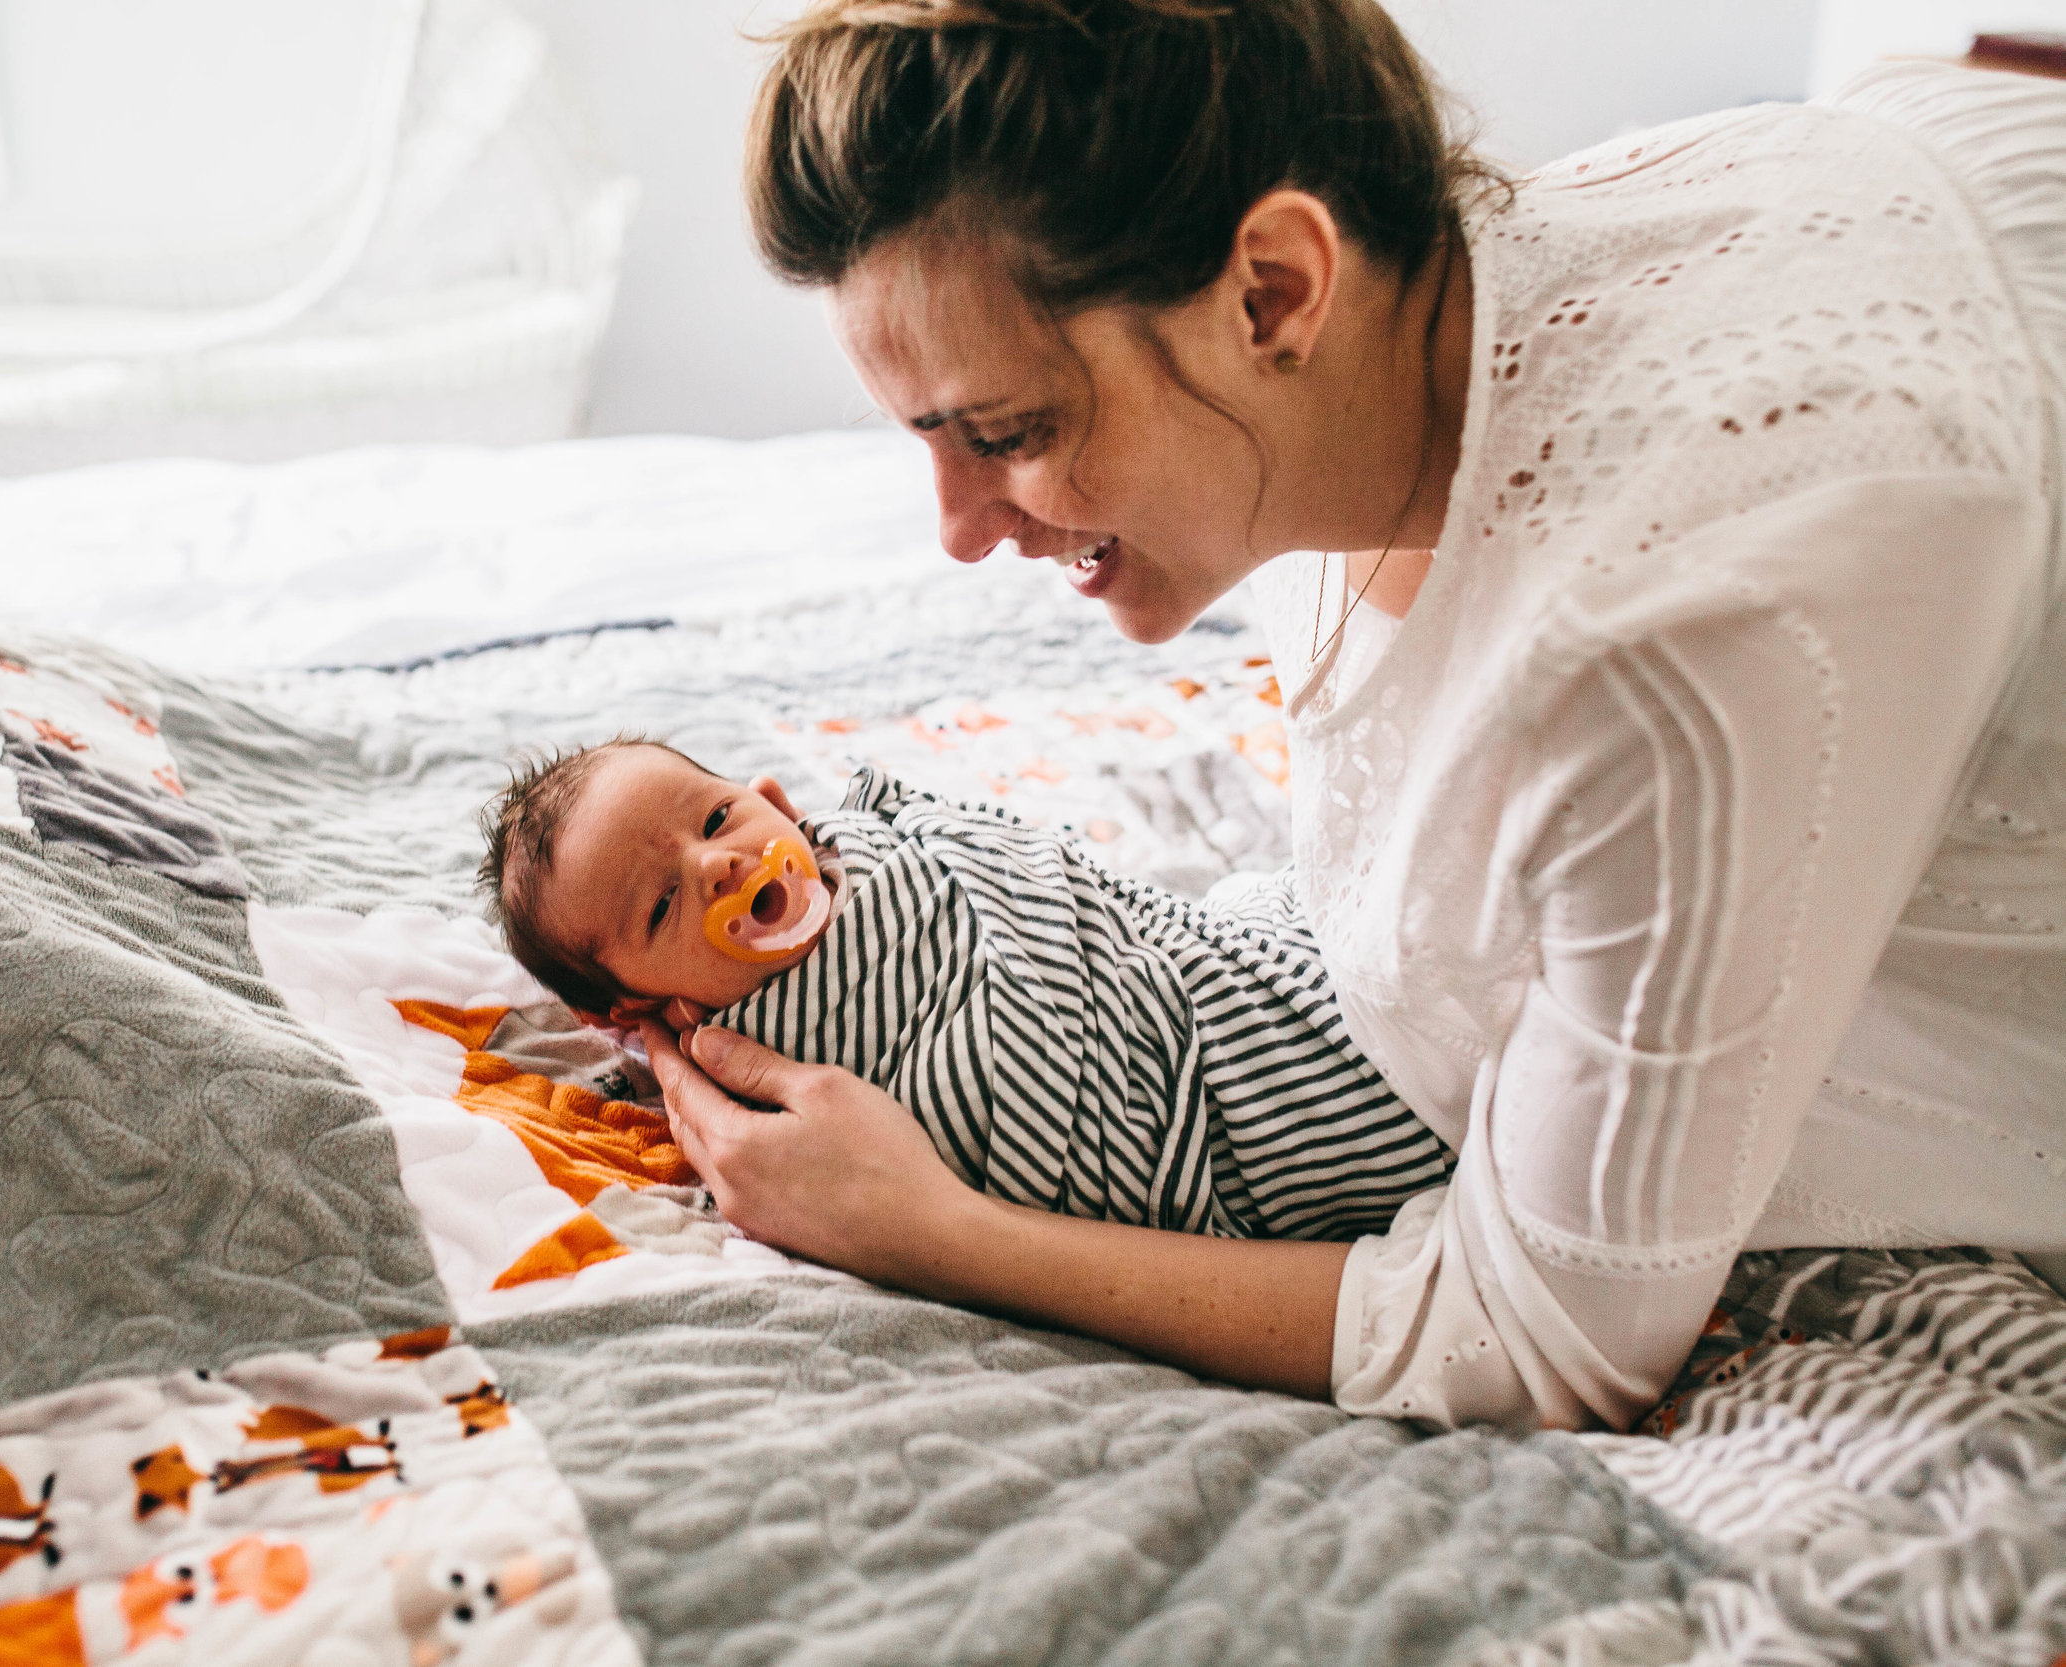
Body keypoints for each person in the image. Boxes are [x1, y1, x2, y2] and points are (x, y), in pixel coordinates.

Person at [638, 0, 2066, 1431]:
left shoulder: (1672, 636)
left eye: (1011, 431)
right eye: (928, 436)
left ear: (1270, 290)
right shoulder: (1390, 379)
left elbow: (1542, 1332)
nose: (957, 529)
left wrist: (927, 1229)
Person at [478, 739, 1451, 1245]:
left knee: (1304, 910)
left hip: (1194, 973)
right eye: (659, 907)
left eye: (718, 814)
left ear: (773, 796)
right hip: (1168, 1109)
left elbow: (1044, 869)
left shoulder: (881, 839)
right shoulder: (752, 1071)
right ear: (623, 1007)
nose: (717, 864)